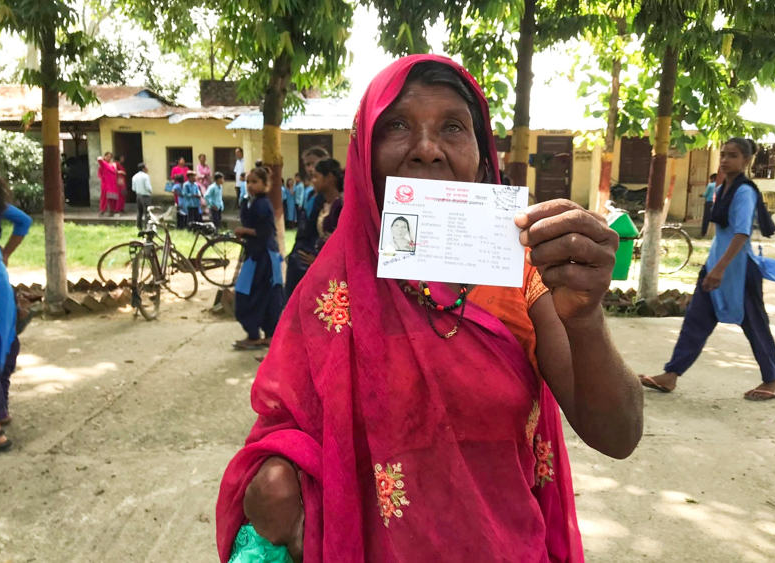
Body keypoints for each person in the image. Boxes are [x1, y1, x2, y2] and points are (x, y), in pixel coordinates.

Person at [217, 55, 643, 563]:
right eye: (397, 126)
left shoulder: (522, 279)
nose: (425, 149)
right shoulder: (331, 293)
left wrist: (586, 318)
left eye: (453, 128)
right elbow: (284, 434)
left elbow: (618, 434)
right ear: (364, 157)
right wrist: (280, 481)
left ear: (482, 161)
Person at [641, 137, 775, 401]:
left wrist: (719, 269)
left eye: (733, 156)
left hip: (739, 272)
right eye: (723, 154)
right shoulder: (721, 188)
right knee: (695, 322)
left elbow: (741, 233)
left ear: (746, 161)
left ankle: (772, 379)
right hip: (715, 268)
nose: (725, 160)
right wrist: (713, 267)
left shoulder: (744, 192)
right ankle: (671, 375)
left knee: (755, 325)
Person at [0, 145, 31, 451]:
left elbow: (24, 221)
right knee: (3, 342)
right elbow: (24, 221)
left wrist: (4, 253)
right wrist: (5, 254)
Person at [232, 167, 284, 351]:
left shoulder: (262, 204)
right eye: (248, 182)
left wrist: (244, 231)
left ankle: (256, 335)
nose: (250, 185)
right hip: (257, 253)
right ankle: (265, 335)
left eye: (255, 182)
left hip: (263, 256)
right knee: (264, 295)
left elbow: (266, 232)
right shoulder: (251, 202)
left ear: (265, 184)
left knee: (247, 294)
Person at [284, 158, 344, 300]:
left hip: (332, 269)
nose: (313, 181)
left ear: (329, 178)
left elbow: (342, 245)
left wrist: (319, 261)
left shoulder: (341, 206)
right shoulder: (320, 202)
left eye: (316, 177)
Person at [96, 152, 119, 217]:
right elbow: (99, 159)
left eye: (110, 157)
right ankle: (102, 211)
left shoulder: (113, 164)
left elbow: (115, 172)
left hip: (113, 183)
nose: (109, 158)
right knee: (104, 197)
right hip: (106, 184)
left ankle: (112, 211)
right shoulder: (103, 164)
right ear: (105, 156)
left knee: (113, 198)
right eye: (107, 156)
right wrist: (102, 159)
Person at [132, 162, 153, 230]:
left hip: (138, 195)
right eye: (146, 167)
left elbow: (133, 188)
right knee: (147, 211)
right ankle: (147, 226)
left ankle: (139, 226)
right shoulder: (145, 176)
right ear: (143, 168)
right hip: (145, 195)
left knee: (139, 211)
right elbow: (147, 186)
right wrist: (150, 190)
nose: (147, 168)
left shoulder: (134, 176)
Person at [701, 173, 718, 238]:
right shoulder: (720, 184)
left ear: (713, 178)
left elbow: (706, 194)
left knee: (706, 218)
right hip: (716, 203)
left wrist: (702, 195)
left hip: (709, 202)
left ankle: (704, 233)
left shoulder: (710, 185)